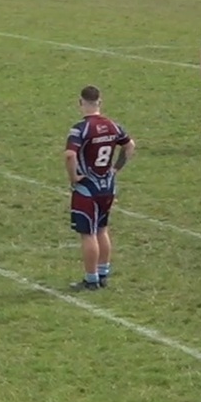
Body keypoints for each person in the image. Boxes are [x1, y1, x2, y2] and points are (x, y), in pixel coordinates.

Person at [65, 85, 134, 290]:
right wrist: (116, 169)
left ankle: (91, 278)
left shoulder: (80, 129)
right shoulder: (113, 125)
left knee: (88, 233)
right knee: (102, 229)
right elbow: (130, 145)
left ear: (81, 103)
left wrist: (73, 177)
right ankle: (103, 272)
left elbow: (70, 155)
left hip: (88, 187)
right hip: (107, 186)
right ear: (100, 102)